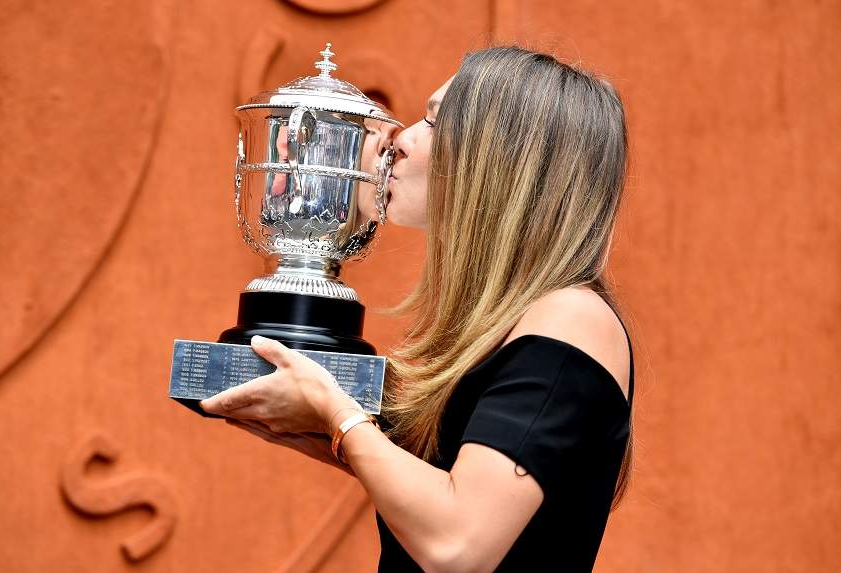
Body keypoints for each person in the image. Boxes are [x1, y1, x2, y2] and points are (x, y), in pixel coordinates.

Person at [201, 45, 634, 572]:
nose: (399, 140)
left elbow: (459, 547)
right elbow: (446, 492)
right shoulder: (515, 320)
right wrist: (327, 433)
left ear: (495, 159)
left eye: (431, 121)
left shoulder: (571, 317)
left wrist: (336, 412)